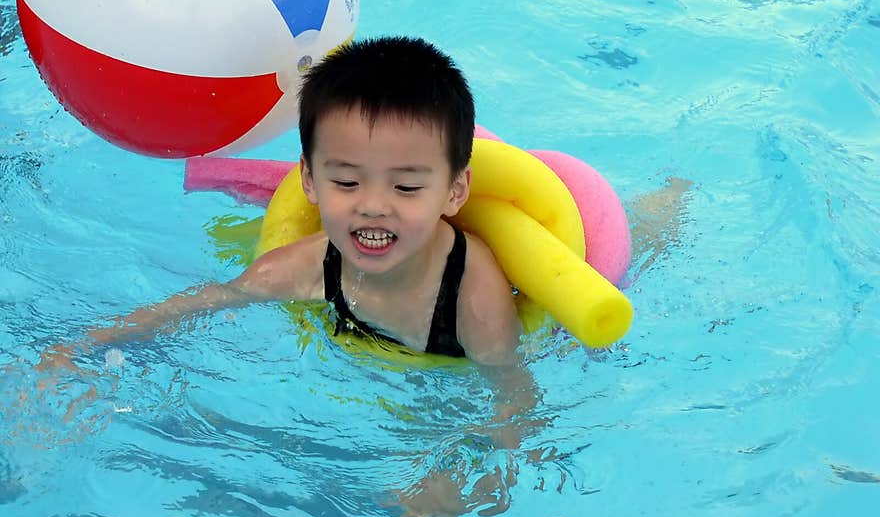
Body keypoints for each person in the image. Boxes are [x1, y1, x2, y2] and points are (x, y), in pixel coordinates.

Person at [38, 36, 525, 374]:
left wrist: (460, 478)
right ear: (310, 181)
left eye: (406, 188)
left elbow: (511, 396)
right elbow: (207, 302)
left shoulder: (472, 296)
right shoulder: (305, 266)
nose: (374, 206)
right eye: (347, 181)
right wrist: (79, 349)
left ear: (455, 192)